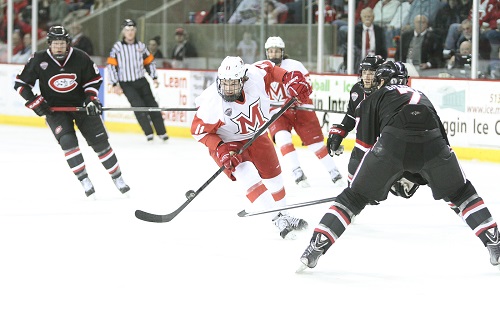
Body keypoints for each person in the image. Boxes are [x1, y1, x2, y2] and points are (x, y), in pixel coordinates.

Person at [297, 60, 500, 271]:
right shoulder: (422, 96)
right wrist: (421, 177)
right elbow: (443, 144)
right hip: (433, 145)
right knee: (462, 194)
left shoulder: (374, 98)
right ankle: (495, 243)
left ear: (384, 80)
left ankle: (314, 249)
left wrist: (370, 186)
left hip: (391, 145)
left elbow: (365, 149)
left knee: (352, 199)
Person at [190, 56, 312, 239]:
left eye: (233, 83)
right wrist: (221, 149)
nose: (228, 88)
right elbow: (198, 131)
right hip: (228, 143)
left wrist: (289, 78)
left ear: (243, 79)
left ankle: (285, 214)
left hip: (257, 135)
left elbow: (272, 69)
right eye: (224, 83)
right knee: (246, 172)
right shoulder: (212, 101)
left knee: (275, 178)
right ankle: (277, 219)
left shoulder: (254, 75)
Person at [14, 25, 130, 197]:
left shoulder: (80, 57)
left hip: (82, 106)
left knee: (101, 144)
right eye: (55, 43)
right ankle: (84, 180)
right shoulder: (38, 59)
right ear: (49, 44)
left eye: (62, 43)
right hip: (55, 111)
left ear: (67, 43)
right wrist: (35, 102)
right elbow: (21, 84)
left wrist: (91, 99)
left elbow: (93, 79)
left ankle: (117, 178)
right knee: (67, 142)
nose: (59, 46)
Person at [264, 36, 343, 188]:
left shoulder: (295, 65)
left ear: (282, 52)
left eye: (277, 51)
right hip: (277, 111)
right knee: (282, 139)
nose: (273, 54)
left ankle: (334, 172)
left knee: (316, 144)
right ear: (267, 53)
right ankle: (297, 173)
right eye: (271, 51)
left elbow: (308, 86)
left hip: (300, 108)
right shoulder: (261, 68)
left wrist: (295, 98)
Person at [326, 54, 386, 183]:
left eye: (372, 72)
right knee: (352, 176)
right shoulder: (357, 91)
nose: (367, 77)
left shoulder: (388, 94)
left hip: (384, 147)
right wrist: (339, 134)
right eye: (364, 72)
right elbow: (351, 116)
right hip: (362, 145)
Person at [107, 19, 168, 142]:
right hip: (126, 83)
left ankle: (162, 132)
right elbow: (111, 66)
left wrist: (154, 77)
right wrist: (114, 84)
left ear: (135, 31)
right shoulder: (117, 47)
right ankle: (148, 133)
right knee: (138, 107)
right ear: (123, 32)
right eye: (127, 30)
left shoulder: (141, 46)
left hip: (141, 80)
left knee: (152, 105)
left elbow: (149, 63)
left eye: (132, 30)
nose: (130, 33)